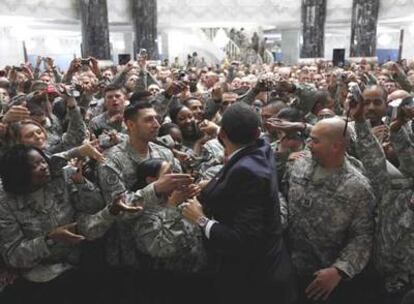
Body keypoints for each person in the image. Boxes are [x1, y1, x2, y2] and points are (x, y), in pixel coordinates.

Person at [182, 103, 297, 304]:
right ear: (257, 132)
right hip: (272, 268)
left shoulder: (247, 171)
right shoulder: (263, 150)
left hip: (254, 282)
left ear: (223, 135)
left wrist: (200, 220)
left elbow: (243, 239)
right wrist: (212, 183)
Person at [282, 117, 375, 304]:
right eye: (309, 139)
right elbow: (283, 194)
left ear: (336, 146)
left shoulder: (357, 187)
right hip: (289, 267)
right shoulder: (299, 165)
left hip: (325, 279)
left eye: (315, 141)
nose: (308, 144)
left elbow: (363, 236)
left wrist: (339, 270)